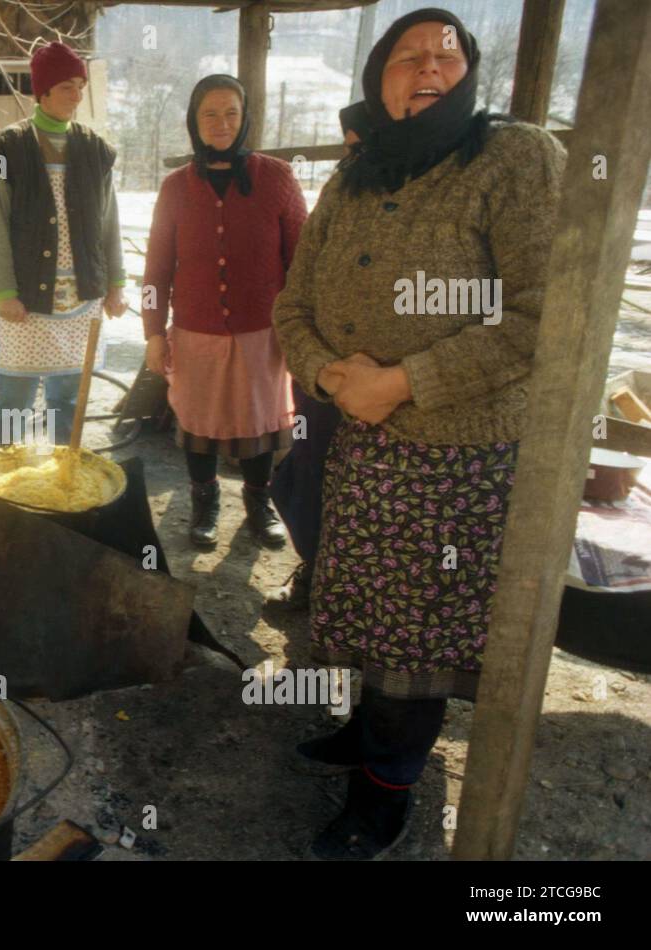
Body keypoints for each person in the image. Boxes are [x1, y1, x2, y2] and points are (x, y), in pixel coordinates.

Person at [272, 8, 564, 859]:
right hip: (358, 440)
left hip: (456, 455)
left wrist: (404, 381)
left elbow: (541, 314)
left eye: (449, 53)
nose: (429, 65)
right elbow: (293, 306)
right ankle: (367, 737)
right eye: (408, 55)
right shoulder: (355, 176)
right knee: (360, 601)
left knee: (419, 634)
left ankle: (385, 796)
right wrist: (331, 376)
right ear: (379, 79)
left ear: (471, 72)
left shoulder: (515, 158)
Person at [142, 74, 305, 548]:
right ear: (194, 120)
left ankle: (258, 501)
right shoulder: (176, 187)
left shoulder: (276, 178)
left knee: (258, 423)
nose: (221, 122)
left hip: (262, 332)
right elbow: (155, 270)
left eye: (231, 112)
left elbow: (303, 259)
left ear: (245, 116)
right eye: (209, 113)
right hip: (195, 332)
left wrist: (301, 332)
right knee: (198, 423)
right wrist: (154, 332)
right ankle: (205, 502)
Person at [0, 41, 128, 445]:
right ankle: (4, 476)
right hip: (22, 300)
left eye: (80, 86)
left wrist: (115, 284)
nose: (76, 96)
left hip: (81, 298)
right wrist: (5, 292)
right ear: (41, 93)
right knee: (14, 398)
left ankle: (64, 478)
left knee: (68, 397)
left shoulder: (95, 150)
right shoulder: (7, 149)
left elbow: (108, 222)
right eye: (66, 87)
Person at [265, 101, 368, 607]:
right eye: (349, 146)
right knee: (309, 468)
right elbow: (297, 289)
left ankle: (358, 590)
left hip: (396, 385)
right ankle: (313, 568)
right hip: (321, 375)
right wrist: (319, 364)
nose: (355, 155)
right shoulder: (340, 192)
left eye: (362, 143)